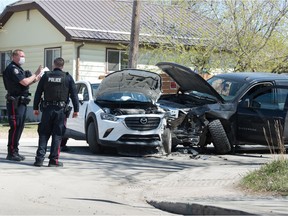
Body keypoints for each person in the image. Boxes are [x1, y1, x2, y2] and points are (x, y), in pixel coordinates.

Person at [33, 57, 79, 167]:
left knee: (43, 134)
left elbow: (38, 92)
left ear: (54, 65)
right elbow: (74, 95)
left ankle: (39, 159)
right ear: (62, 66)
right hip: (60, 111)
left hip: (47, 110)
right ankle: (53, 161)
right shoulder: (67, 77)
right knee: (57, 135)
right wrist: (76, 110)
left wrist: (35, 108)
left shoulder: (46, 76)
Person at [2, 49, 42, 161]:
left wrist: (35, 79)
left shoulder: (18, 68)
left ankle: (15, 151)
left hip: (21, 101)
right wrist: (35, 73)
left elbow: (25, 83)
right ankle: (11, 152)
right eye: (21, 56)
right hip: (15, 101)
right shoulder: (12, 69)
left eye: (24, 56)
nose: (23, 58)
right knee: (15, 126)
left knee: (20, 126)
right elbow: (24, 82)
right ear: (14, 56)